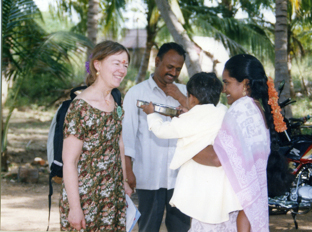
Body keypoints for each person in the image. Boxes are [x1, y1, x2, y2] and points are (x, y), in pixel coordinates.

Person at [192, 54, 292, 232]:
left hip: (235, 210)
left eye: (227, 82)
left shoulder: (240, 110)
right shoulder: (256, 109)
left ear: (245, 83)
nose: (223, 89)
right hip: (248, 211)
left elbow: (217, 158)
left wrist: (187, 148)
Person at [141, 72, 242, 226]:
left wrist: (151, 114)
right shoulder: (222, 111)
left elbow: (162, 131)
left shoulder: (189, 119)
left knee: (203, 219)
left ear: (192, 98)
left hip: (200, 183)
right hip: (223, 180)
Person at [59, 40, 133, 231]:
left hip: (112, 195)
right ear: (97, 65)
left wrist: (124, 182)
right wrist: (75, 208)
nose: (122, 69)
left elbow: (119, 143)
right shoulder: (80, 107)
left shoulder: (116, 100)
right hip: (86, 199)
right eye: (116, 63)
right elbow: (69, 162)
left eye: (125, 64)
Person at [122, 42, 191, 232]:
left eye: (178, 69)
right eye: (170, 67)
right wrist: (128, 170)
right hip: (148, 175)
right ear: (157, 61)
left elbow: (199, 125)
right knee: (148, 228)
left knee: (181, 228)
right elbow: (127, 136)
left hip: (179, 178)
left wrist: (181, 98)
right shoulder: (136, 93)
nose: (174, 73)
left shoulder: (186, 93)